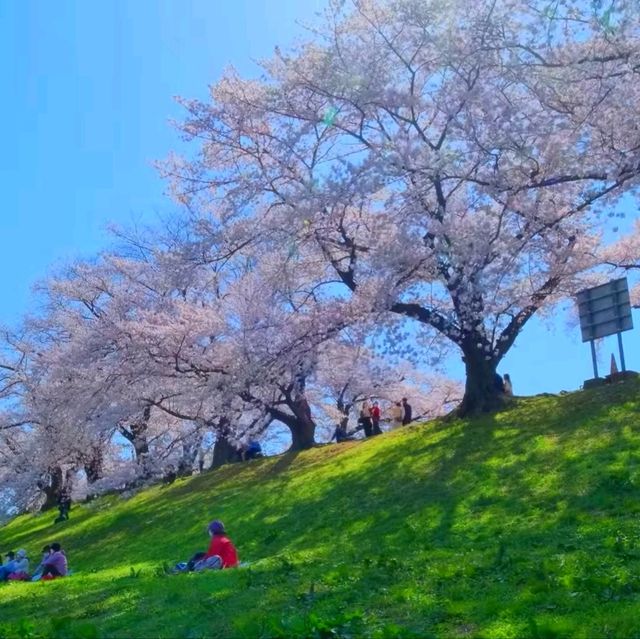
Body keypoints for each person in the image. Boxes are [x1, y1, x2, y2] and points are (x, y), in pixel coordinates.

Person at [171, 519, 239, 574]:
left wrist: (199, 561)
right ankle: (187, 567)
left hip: (225, 565)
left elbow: (212, 555)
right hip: (231, 563)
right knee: (199, 554)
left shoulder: (216, 540)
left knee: (202, 558)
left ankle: (185, 569)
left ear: (212, 531)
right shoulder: (224, 538)